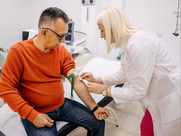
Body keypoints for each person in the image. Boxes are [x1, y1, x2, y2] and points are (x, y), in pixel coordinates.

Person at [0, 7, 110, 136]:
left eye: (65, 35)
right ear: (44, 32)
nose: (63, 40)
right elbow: (6, 89)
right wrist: (32, 115)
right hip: (36, 111)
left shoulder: (62, 51)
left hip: (62, 105)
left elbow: (76, 81)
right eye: (61, 36)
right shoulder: (18, 52)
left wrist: (95, 107)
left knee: (98, 123)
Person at [80, 7, 181, 136]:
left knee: (151, 130)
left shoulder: (138, 45)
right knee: (146, 129)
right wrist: (97, 80)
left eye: (102, 30)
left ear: (112, 27)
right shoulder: (128, 44)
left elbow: (137, 92)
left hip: (170, 96)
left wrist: (105, 90)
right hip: (156, 98)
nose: (101, 35)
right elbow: (123, 74)